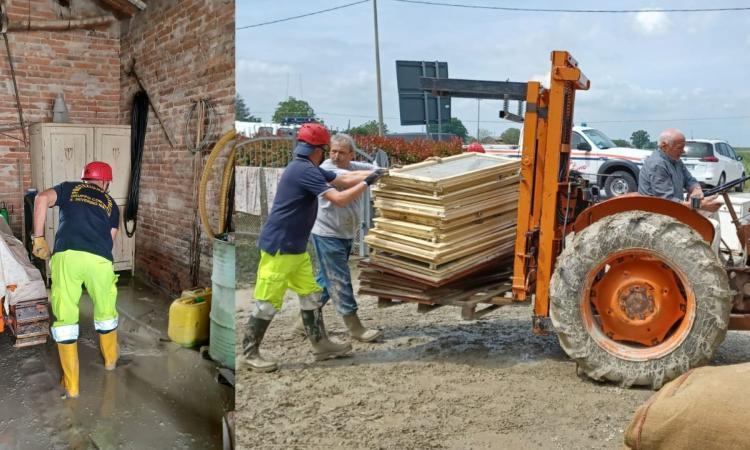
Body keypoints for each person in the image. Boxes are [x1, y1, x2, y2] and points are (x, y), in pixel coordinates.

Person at [241, 123, 386, 372]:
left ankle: (320, 344)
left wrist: (377, 173)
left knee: (310, 295)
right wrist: (368, 183)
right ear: (318, 150)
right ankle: (249, 353)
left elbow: (343, 178)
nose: (329, 155)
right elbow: (339, 198)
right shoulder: (304, 171)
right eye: (326, 150)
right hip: (280, 247)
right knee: (267, 301)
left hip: (296, 248)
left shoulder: (308, 167)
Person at [32, 161, 120, 399]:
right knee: (105, 310)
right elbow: (110, 240)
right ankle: (111, 361)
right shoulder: (111, 204)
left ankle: (72, 387)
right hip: (99, 259)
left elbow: (40, 199)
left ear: (85, 179)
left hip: (67, 255)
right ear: (105, 183)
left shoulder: (70, 188)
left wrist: (38, 238)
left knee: (66, 316)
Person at [310, 133, 382, 342]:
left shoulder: (353, 166)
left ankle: (304, 319)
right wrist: (376, 174)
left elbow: (370, 168)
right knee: (340, 279)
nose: (336, 156)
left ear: (351, 153)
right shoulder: (326, 168)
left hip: (345, 233)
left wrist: (387, 171)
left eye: (342, 152)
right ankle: (355, 327)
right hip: (327, 232)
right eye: (333, 151)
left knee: (326, 281)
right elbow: (349, 178)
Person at [638, 128, 722, 212]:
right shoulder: (657, 165)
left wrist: (696, 190)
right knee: (711, 219)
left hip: (674, 210)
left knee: (712, 211)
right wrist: (699, 205)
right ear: (664, 146)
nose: (683, 152)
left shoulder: (676, 161)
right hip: (657, 215)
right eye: (679, 148)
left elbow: (689, 180)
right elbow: (666, 201)